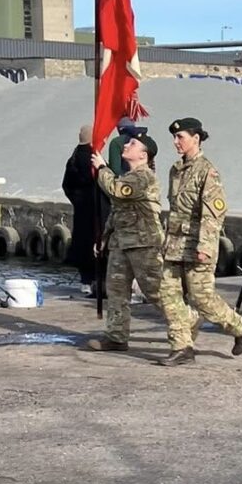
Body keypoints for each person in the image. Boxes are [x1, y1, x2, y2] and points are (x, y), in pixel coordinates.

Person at [155, 117, 242, 366]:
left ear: (196, 139)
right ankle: (182, 347)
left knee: (201, 298)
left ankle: (241, 328)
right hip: (174, 246)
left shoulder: (207, 172)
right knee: (168, 295)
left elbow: (214, 213)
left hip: (198, 245)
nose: (176, 142)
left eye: (181, 137)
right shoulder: (175, 170)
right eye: (175, 137)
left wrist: (204, 247)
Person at [86, 132, 189, 353]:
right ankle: (116, 336)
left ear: (143, 155)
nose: (126, 145)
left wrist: (102, 169)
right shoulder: (127, 175)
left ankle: (187, 322)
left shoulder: (144, 176)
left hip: (144, 244)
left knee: (156, 291)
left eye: (133, 144)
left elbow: (117, 191)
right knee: (116, 291)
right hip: (121, 242)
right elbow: (117, 213)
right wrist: (103, 238)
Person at [62, 124, 108, 296]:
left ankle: (85, 280)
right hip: (97, 209)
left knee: (82, 242)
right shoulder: (94, 158)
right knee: (97, 242)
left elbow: (66, 185)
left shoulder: (73, 158)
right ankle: (97, 280)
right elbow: (104, 181)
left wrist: (77, 200)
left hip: (81, 208)